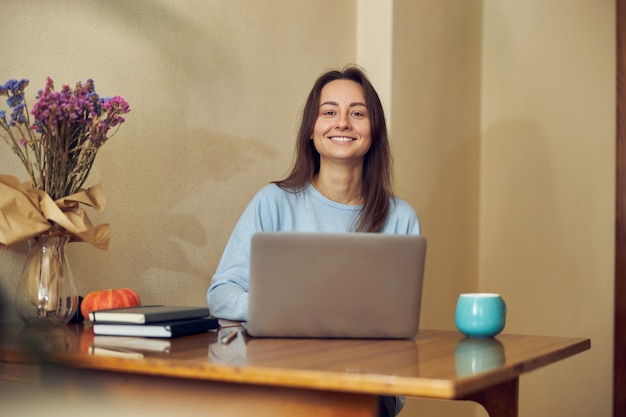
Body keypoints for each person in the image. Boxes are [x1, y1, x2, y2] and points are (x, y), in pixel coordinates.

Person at [207, 65, 421, 417]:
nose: (342, 123)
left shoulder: (401, 217)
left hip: (365, 386)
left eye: (357, 113)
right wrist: (283, 309)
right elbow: (221, 294)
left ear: (374, 130)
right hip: (280, 377)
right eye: (329, 112)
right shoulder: (272, 201)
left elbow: (400, 325)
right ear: (311, 129)